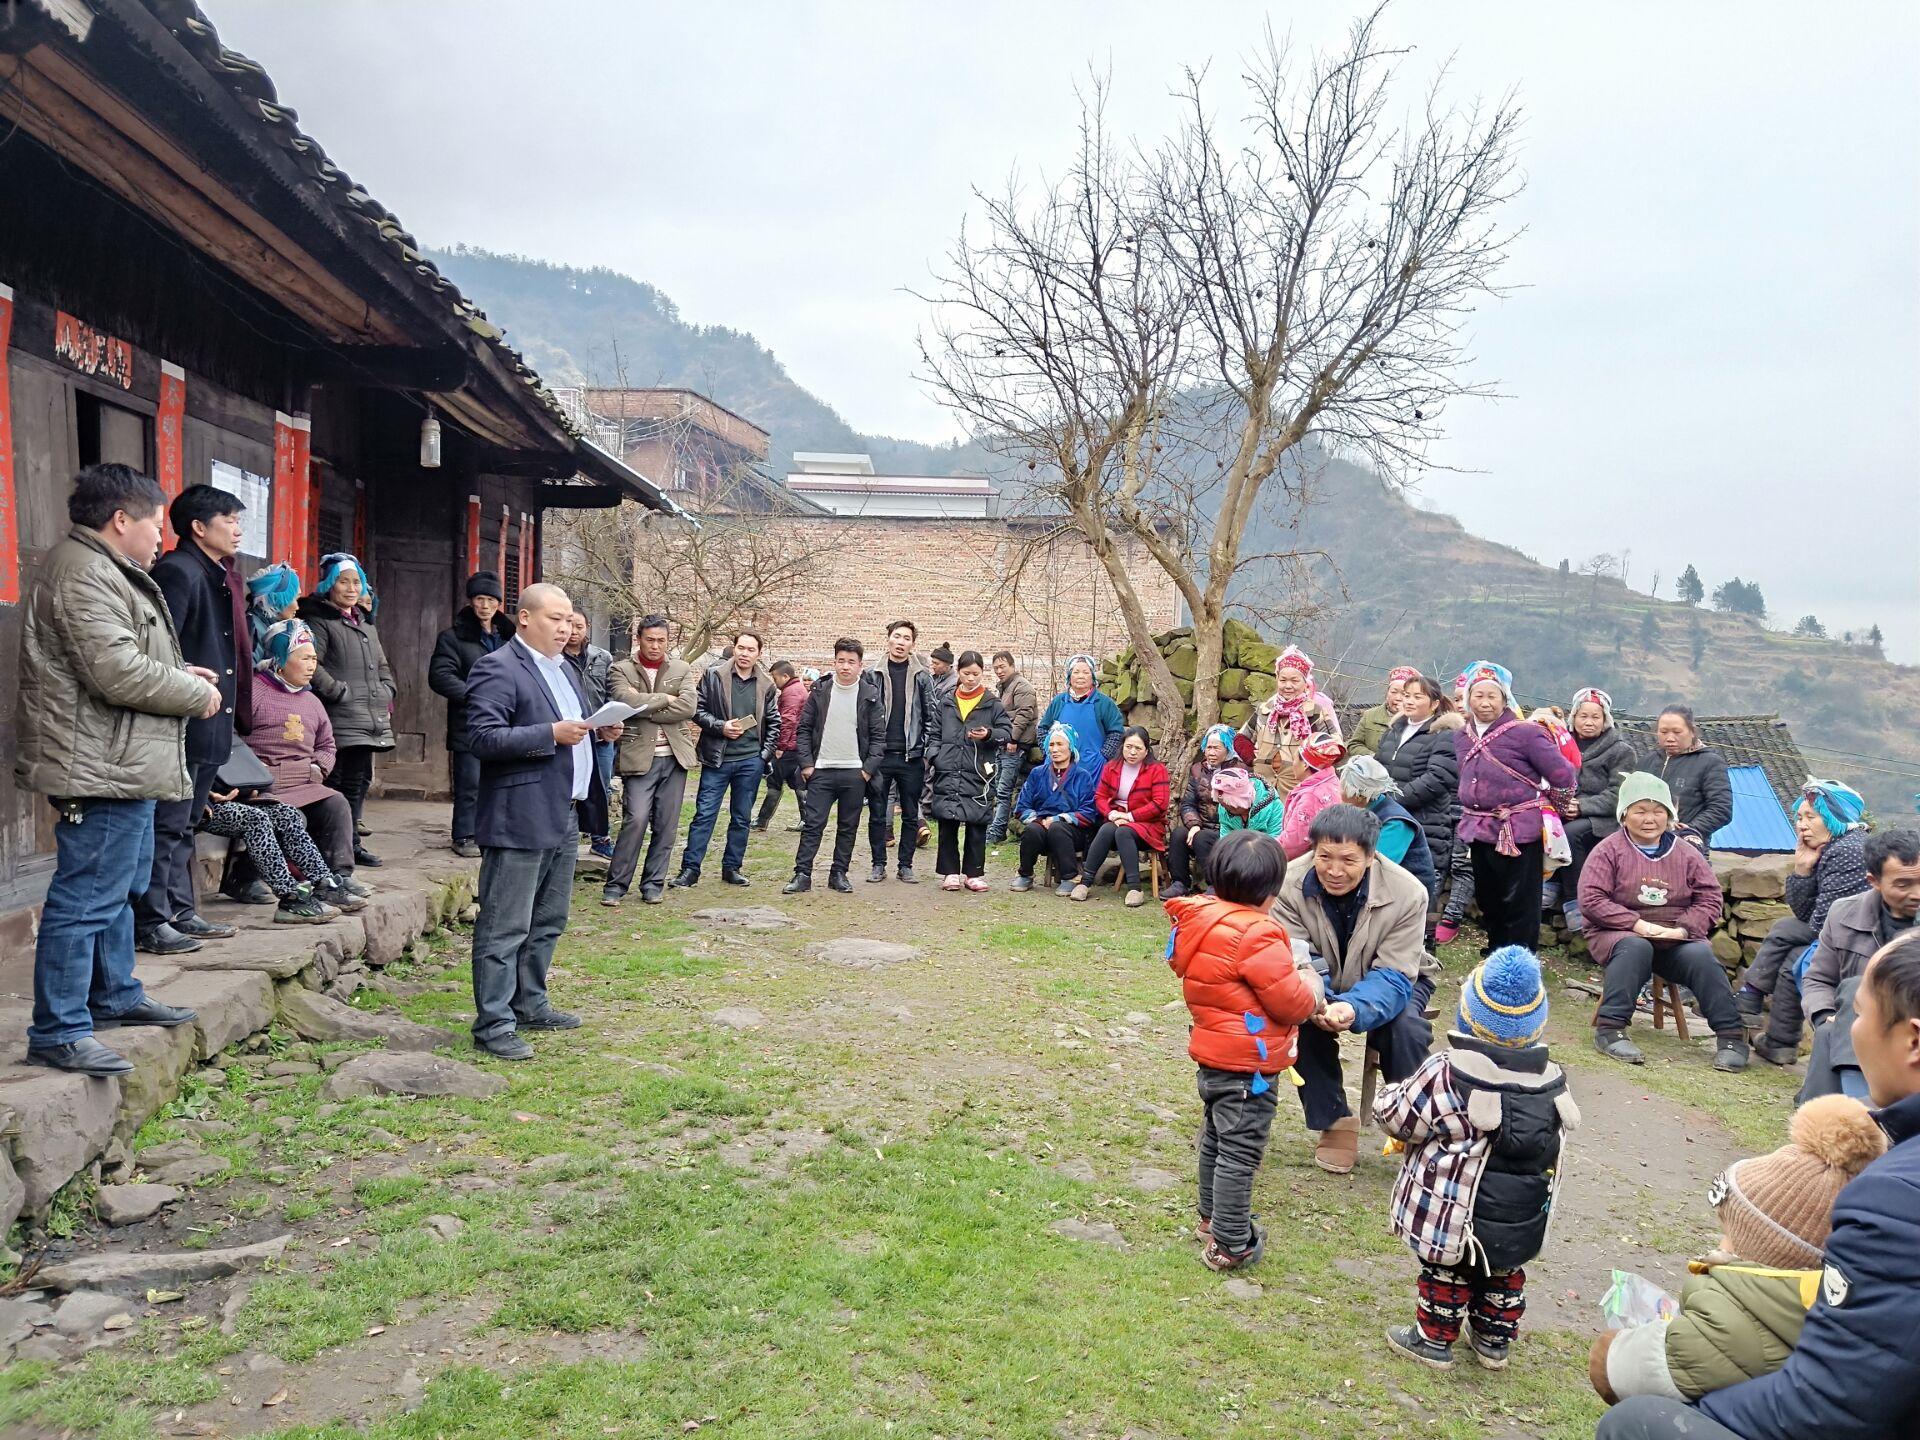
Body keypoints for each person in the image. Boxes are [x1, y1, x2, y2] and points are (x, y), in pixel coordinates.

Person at [1595, 929, 1920, 1440]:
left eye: (1858, 1013)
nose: (1848, 1031)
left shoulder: (1896, 1197)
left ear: (1913, 1039)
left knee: (1636, 1423)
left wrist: (1700, 1405)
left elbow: (1832, 1403)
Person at [15, 463, 217, 1075]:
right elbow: (117, 673)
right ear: (121, 520)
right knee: (86, 899)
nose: (162, 535)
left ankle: (114, 995)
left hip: (121, 760)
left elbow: (132, 658)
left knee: (118, 892)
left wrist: (183, 675)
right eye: (156, 524)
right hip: (98, 764)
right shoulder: (82, 573)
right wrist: (191, 692)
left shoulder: (106, 569)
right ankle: (59, 1028)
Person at [1589, 1094, 1886, 1406]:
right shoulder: (1820, 1306)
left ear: (1760, 1251)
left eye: (1729, 1234)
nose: (1721, 1244)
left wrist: (1611, 1347)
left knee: (1629, 1420)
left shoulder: (1733, 1319)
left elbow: (1619, 1369)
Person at [1377, 945, 1575, 1372]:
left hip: (1451, 1209)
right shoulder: (1552, 1080)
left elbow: (1400, 1118)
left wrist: (1384, 1099)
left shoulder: (1449, 1071)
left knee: (1445, 1271)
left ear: (1469, 1015)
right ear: (1536, 1023)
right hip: (1518, 1214)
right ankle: (1493, 1341)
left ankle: (1433, 1340)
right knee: (1504, 1271)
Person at [1166, 829, 1323, 1272]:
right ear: (1272, 892)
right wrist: (1312, 986)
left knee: (1217, 1139)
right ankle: (1230, 1242)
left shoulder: (1204, 921)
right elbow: (1289, 1000)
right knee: (1241, 1152)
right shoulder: (1257, 934)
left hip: (1214, 1055)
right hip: (1248, 1065)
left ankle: (1212, 1218)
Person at [463, 582, 598, 1061]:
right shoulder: (497, 667)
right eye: (554, 619)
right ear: (524, 618)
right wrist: (550, 733)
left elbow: (576, 729)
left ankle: (530, 1003)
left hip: (563, 810)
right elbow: (481, 737)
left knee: (548, 920)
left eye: (569, 620)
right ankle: (493, 1023)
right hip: (517, 815)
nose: (565, 629)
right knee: (505, 925)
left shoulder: (566, 670)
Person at [1273, 804, 1438, 1174]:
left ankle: (1413, 1122)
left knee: (1406, 1028)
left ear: (1370, 855)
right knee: (1297, 1015)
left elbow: (1396, 973)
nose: (1334, 870)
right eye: (1324, 857)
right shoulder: (1287, 885)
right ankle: (1335, 1121)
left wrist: (1353, 1008)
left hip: (1396, 978)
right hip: (1314, 976)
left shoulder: (1408, 893)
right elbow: (1297, 958)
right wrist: (1320, 999)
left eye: (1348, 859)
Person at [134, 483, 250, 956]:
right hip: (183, 719)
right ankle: (152, 919)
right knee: (167, 824)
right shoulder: (179, 571)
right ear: (199, 527)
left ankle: (180, 911)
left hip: (209, 718)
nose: (239, 529)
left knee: (185, 824)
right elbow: (163, 650)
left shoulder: (216, 571)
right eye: (230, 520)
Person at [1581, 773, 1748, 1071]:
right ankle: (1610, 1030)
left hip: (1675, 935)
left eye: (1659, 811)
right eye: (1640, 810)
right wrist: (1637, 925)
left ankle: (1731, 1036)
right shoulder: (1607, 851)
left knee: (1701, 956)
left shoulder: (1686, 853)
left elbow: (1709, 898)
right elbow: (1593, 900)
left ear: (1671, 815)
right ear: (1624, 814)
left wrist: (1683, 928)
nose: (1650, 819)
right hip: (1617, 933)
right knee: (1636, 948)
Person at [1742, 780, 1871, 1065]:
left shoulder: (1850, 850)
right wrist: (1801, 868)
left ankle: (1751, 998)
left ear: (1836, 816)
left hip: (1864, 943)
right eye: (1799, 817)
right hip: (1843, 935)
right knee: (1792, 959)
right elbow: (1806, 914)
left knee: (1783, 930)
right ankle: (1779, 1043)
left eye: (1811, 817)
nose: (1802, 825)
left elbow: (1822, 923)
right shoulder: (1830, 848)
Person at [1454, 660, 1577, 952]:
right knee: (1488, 897)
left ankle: (1521, 959)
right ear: (1469, 698)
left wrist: (1553, 807)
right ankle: (1497, 952)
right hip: (1479, 827)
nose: (1485, 702)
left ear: (1505, 699)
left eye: (1492, 696)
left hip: (1518, 829)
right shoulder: (1461, 736)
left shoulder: (1526, 733)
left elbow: (1564, 774)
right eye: (1478, 695)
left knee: (1520, 899)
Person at [1792, 828, 1920, 1095]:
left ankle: (1854, 1109)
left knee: (1859, 987)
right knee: (1835, 1021)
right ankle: (1837, 1112)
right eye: (1903, 884)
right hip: (1864, 1025)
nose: (1917, 893)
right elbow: (1818, 978)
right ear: (1874, 881)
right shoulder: (1844, 914)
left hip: (1912, 1028)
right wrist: (1824, 1015)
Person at [245, 619, 369, 894]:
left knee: (336, 803)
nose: (312, 665)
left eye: (314, 658)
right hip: (263, 786)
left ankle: (339, 875)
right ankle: (244, 878)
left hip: (304, 782)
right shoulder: (253, 693)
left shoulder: (312, 702)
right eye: (304, 658)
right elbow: (233, 741)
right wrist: (252, 776)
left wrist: (318, 769)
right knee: (287, 816)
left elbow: (327, 745)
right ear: (279, 659)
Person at [297, 553, 395, 869]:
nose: (351, 588)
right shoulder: (319, 621)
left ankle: (350, 846)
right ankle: (329, 848)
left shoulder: (365, 623)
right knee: (334, 784)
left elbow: (382, 664)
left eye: (357, 582)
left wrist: (387, 689)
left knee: (357, 782)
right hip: (338, 717)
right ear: (330, 585)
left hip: (366, 718)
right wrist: (339, 691)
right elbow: (313, 663)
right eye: (344, 581)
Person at [601, 616, 699, 907]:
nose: (655, 646)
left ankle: (653, 884)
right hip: (639, 756)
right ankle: (616, 886)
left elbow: (689, 706)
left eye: (661, 640)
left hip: (674, 757)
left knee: (667, 825)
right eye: (649, 640)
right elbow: (624, 701)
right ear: (638, 639)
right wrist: (667, 699)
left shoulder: (681, 668)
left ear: (668, 641)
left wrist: (645, 704)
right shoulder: (621, 669)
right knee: (636, 819)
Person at [672, 629, 781, 889]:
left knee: (742, 817)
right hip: (717, 758)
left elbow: (775, 723)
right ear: (734, 649)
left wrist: (762, 755)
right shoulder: (714, 675)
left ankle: (732, 867)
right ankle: (690, 869)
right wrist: (720, 726)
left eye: (750, 649)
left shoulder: (766, 684)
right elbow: (696, 710)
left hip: (749, 761)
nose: (745, 654)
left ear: (758, 653)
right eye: (741, 648)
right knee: (704, 815)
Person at [784, 639, 886, 895]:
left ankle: (838, 873)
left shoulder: (869, 695)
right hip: (822, 770)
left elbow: (878, 737)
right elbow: (804, 728)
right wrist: (807, 764)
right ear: (834, 662)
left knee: (848, 826)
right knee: (813, 824)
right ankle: (802, 873)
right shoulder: (820, 691)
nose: (845, 667)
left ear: (860, 665)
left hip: (855, 772)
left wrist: (867, 770)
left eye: (851, 662)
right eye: (841, 661)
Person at [428, 571, 514, 858]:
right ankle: (464, 834)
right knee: (470, 781)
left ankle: (492, 832)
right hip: (469, 720)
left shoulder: (509, 638)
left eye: (491, 600)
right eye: (480, 599)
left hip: (504, 719)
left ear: (498, 603)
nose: (485, 606)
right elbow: (440, 676)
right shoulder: (453, 637)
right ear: (471, 601)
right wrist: (475, 695)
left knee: (500, 779)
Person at [1377, 675, 1463, 924]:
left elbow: (1437, 777)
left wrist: (1392, 800)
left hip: (1425, 821)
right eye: (1406, 695)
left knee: (1419, 886)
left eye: (1417, 696)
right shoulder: (1395, 729)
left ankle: (1424, 944)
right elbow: (1379, 764)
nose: (1409, 701)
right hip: (1388, 818)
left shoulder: (1444, 734)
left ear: (1434, 703)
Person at [925, 650, 1012, 892]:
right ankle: (950, 872)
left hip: (979, 772)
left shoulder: (991, 703)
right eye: (966, 673)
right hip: (948, 768)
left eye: (976, 674)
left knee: (977, 823)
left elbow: (1007, 732)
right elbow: (933, 733)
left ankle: (973, 874)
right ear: (959, 672)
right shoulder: (947, 701)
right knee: (947, 822)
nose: (971, 678)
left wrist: (989, 734)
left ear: (982, 674)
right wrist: (935, 756)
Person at [1558, 687, 1638, 933]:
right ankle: (1547, 881)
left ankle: (1576, 903)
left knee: (1571, 834)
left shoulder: (1620, 750)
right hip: (1562, 807)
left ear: (1605, 719)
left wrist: (1582, 806)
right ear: (1574, 717)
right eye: (1583, 716)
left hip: (1602, 818)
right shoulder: (1560, 741)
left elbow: (1619, 793)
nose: (1589, 722)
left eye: (1596, 717)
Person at [867, 619, 937, 885]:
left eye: (906, 638)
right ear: (888, 639)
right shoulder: (872, 673)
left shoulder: (922, 675)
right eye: (897, 636)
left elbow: (931, 715)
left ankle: (905, 865)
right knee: (876, 813)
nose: (901, 642)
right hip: (881, 756)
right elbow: (864, 714)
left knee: (910, 813)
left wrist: (926, 751)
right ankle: (878, 864)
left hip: (912, 756)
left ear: (912, 644)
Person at [1071, 726, 1171, 908]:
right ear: (1122, 746)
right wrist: (1111, 814)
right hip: (1117, 821)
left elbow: (1159, 804)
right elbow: (1099, 796)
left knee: (1123, 831)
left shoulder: (1157, 770)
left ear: (1147, 750)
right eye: (1128, 747)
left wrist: (1130, 816)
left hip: (1148, 825)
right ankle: (1085, 882)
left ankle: (1135, 889)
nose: (1132, 752)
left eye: (1138, 748)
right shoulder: (1111, 767)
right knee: (1107, 828)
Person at [1009, 724, 1099, 895]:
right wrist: (1040, 821)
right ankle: (1025, 874)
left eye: (1060, 744)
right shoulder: (1037, 774)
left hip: (1072, 833)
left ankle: (1070, 876)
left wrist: (1059, 819)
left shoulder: (1082, 776)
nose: (1055, 749)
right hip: (1042, 825)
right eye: (1051, 745)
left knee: (1058, 828)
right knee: (1032, 830)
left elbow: (1089, 812)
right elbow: (1022, 807)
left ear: (1070, 747)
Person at [1245, 644, 1341, 796]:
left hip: (1300, 789)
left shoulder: (1314, 712)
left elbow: (1335, 746)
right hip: (1263, 787)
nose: (1287, 686)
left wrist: (1311, 765)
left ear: (1305, 683)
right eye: (1283, 680)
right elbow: (1242, 738)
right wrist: (1253, 759)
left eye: (1294, 681)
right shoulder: (1266, 709)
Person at [1339, 756, 1436, 898]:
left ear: (1360, 795)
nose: (1340, 792)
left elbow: (1376, 867)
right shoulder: (1361, 809)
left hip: (1406, 895)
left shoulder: (1396, 822)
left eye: (1343, 787)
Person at [563, 611, 615, 860]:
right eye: (570, 626)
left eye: (579, 626)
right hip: (569, 735)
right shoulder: (556, 658)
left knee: (602, 787)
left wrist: (611, 721)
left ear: (588, 627)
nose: (574, 631)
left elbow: (610, 692)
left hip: (600, 736)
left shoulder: (602, 657)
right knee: (568, 787)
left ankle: (600, 838)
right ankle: (566, 837)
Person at [1646, 704, 1733, 852]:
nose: (1670, 738)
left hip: (1687, 847)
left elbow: (1721, 808)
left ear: (1692, 732)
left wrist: (1692, 829)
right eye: (1664, 732)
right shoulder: (1647, 762)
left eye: (1677, 732)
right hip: (1645, 845)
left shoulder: (1709, 762)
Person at [1166, 725, 1237, 898]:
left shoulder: (1239, 771)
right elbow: (1188, 804)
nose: (1211, 752)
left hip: (1227, 829)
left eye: (1216, 748)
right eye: (1208, 747)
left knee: (1202, 837)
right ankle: (1180, 882)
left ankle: (1214, 885)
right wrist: (1194, 825)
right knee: (1179, 834)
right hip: (1202, 827)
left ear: (1227, 749)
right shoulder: (1197, 770)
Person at [986, 650, 1039, 844]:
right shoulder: (1005, 688)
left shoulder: (1022, 686)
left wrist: (1012, 739)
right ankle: (996, 829)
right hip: (1004, 744)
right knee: (999, 787)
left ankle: (996, 831)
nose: (999, 671)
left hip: (1014, 746)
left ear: (1012, 666)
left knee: (1003, 790)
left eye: (1002, 667)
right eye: (996, 668)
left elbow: (1024, 715)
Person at [754, 659, 811, 833]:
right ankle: (806, 820)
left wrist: (779, 746)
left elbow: (788, 721)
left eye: (775, 677)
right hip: (795, 746)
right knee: (795, 783)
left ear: (785, 676)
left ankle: (762, 821)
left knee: (775, 783)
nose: (775, 681)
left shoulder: (791, 692)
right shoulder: (796, 689)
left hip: (788, 747)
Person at [1037, 654, 1124, 763]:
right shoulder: (1059, 701)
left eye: (1086, 672)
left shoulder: (1104, 703)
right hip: (1058, 767)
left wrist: (1103, 757)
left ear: (1092, 677)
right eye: (1076, 672)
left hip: (1092, 768)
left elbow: (1116, 733)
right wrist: (1049, 752)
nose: (1081, 676)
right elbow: (1042, 729)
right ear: (1069, 677)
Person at [1277, 732, 1348, 860]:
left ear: (1305, 764)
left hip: (1307, 864)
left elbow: (1292, 845)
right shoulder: (1333, 783)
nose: (1292, 764)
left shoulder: (1311, 797)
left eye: (1294, 759)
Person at [1348, 666, 1419, 760]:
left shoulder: (1418, 721)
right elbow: (1354, 744)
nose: (1398, 698)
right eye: (1393, 692)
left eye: (1404, 694)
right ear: (1387, 693)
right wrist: (1373, 757)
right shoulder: (1370, 715)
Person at [244, 561, 301, 658]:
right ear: (276, 599)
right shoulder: (252, 629)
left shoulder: (273, 627)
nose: (297, 607)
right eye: (295, 599)